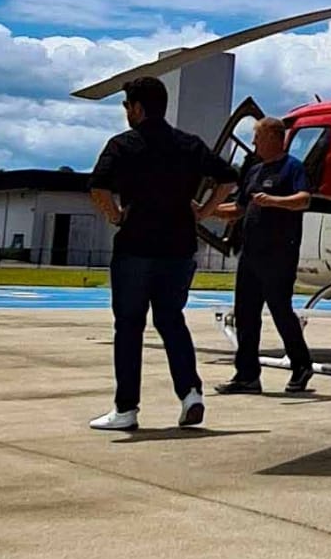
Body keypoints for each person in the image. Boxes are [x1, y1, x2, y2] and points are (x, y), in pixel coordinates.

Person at [87, 76, 239, 431]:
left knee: (129, 326)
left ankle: (126, 408)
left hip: (136, 246)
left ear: (137, 108)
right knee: (171, 320)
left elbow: (98, 187)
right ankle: (190, 393)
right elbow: (228, 179)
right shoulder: (188, 144)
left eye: (127, 106)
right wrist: (202, 211)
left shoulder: (123, 145)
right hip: (179, 247)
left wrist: (116, 216)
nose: (126, 113)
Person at [213, 117, 315, 395]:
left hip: (279, 254)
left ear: (273, 136)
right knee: (245, 314)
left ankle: (301, 365)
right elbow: (240, 207)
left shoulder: (292, 168)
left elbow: (304, 199)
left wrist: (274, 201)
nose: (254, 142)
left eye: (257, 136)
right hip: (251, 253)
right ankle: (246, 375)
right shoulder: (255, 171)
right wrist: (207, 209)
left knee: (281, 310)